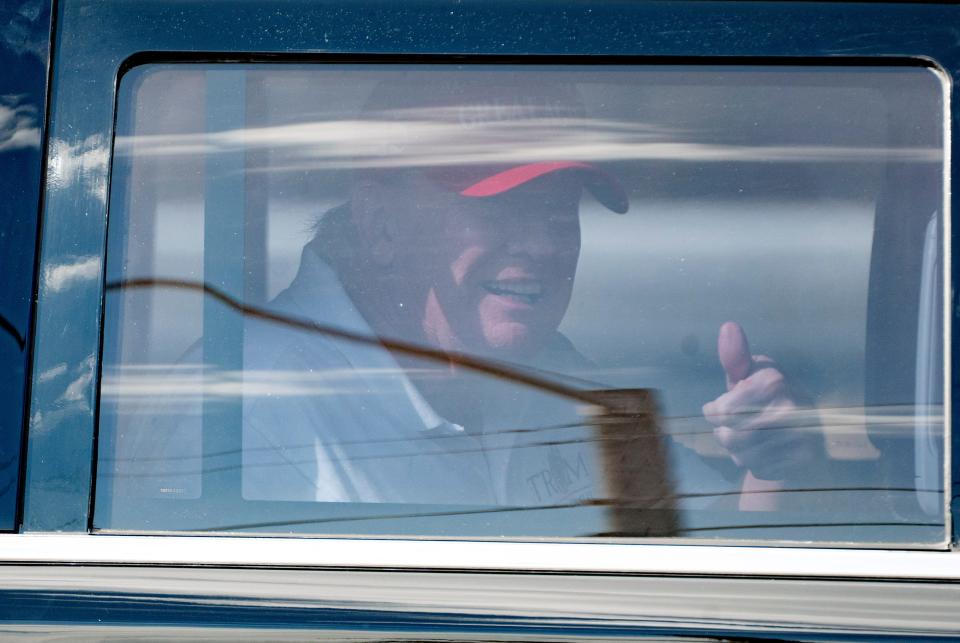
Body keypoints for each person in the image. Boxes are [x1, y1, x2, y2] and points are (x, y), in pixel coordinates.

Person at [115, 76, 824, 532]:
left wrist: (774, 460)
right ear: (380, 222)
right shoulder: (239, 406)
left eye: (558, 212)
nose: (542, 245)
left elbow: (708, 571)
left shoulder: (568, 380)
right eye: (500, 206)